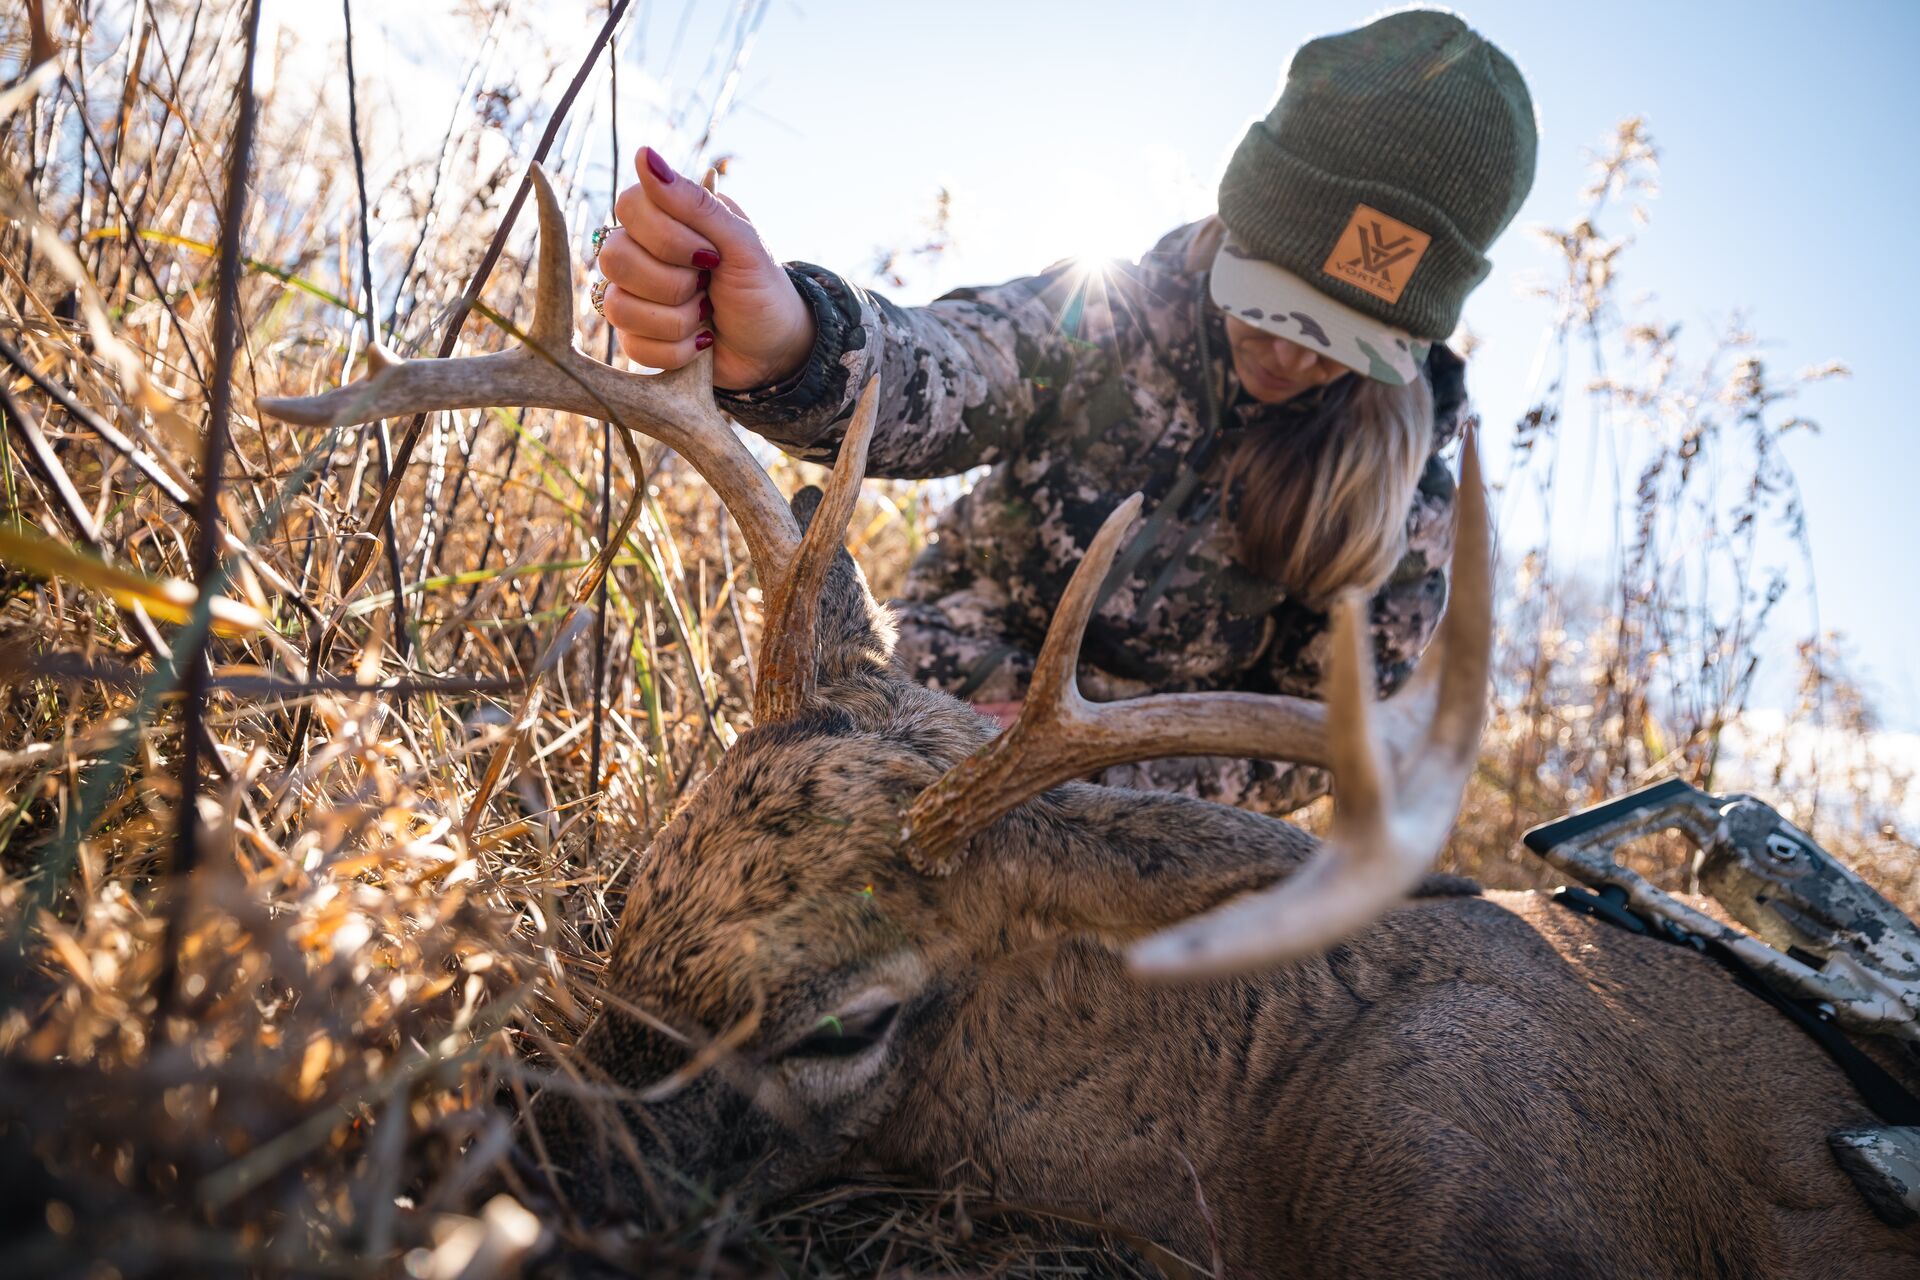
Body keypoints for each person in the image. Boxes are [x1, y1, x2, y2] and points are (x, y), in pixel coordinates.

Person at [590, 8, 1536, 816]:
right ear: (1233, 223)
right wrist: (795, 343)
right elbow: (951, 365)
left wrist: (1101, 770)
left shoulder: (1412, 515)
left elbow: (1321, 738)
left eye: (1349, 340)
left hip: (1133, 827)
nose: (1295, 353)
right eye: (1276, 300)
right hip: (928, 720)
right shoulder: (1110, 316)